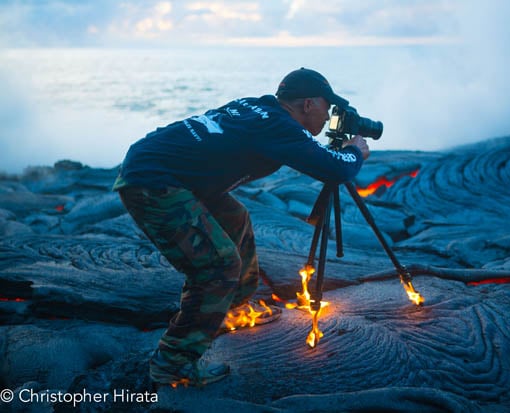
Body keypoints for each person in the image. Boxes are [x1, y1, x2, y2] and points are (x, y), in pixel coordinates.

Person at [113, 67, 370, 387]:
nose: (329, 113)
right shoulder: (280, 126)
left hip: (165, 169)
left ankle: (235, 308)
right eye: (326, 106)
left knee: (235, 218)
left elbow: (308, 152)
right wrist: (355, 151)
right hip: (154, 181)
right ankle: (173, 363)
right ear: (307, 105)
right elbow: (334, 169)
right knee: (218, 267)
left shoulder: (258, 107)